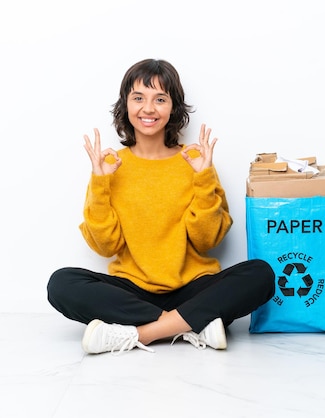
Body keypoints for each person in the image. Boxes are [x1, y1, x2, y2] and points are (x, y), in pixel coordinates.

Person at [47, 58, 275, 355]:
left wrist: (203, 176)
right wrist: (101, 184)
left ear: (173, 107)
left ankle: (140, 333)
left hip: (192, 288)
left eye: (160, 99)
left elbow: (208, 240)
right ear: (125, 105)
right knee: (61, 283)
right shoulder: (110, 165)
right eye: (138, 98)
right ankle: (192, 325)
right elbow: (105, 246)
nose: (149, 109)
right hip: (133, 290)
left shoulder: (195, 161)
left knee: (261, 273)